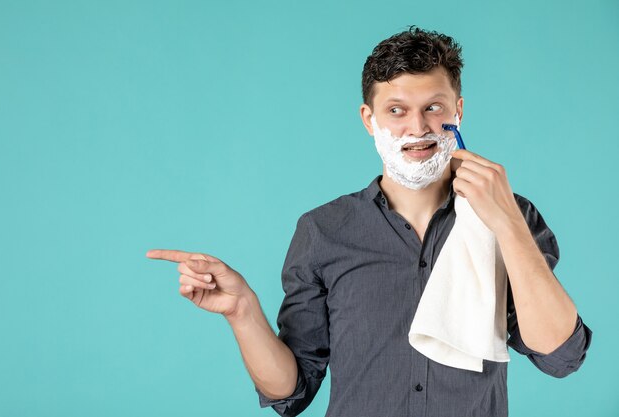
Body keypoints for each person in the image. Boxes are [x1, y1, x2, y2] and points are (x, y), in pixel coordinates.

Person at [146, 26, 592, 417]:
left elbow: (560, 355)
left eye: (434, 108)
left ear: (458, 112)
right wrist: (242, 310)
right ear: (369, 119)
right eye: (396, 110)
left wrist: (506, 222)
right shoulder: (323, 231)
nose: (417, 127)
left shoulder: (512, 214)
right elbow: (291, 391)